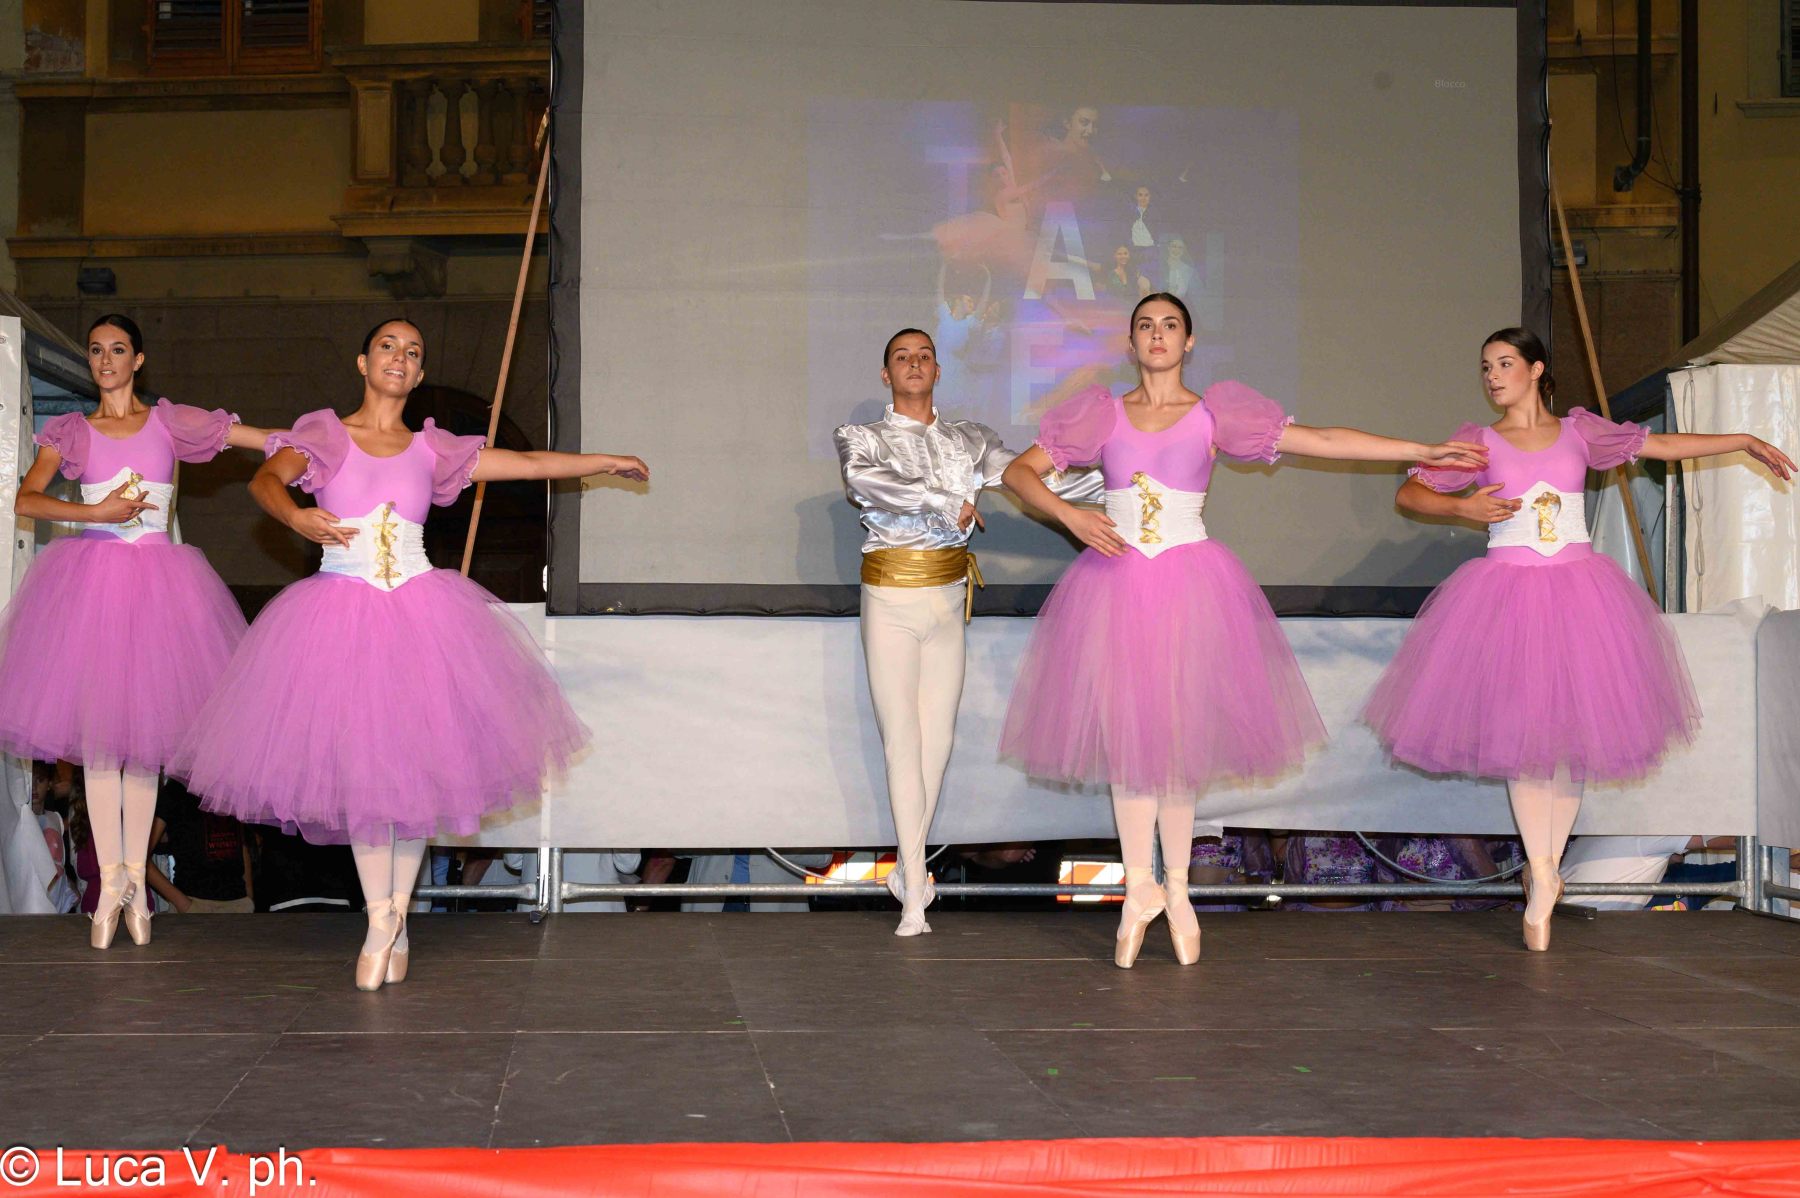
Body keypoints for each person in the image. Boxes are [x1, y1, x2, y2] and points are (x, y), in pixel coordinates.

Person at [999, 293, 1487, 968]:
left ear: (1189, 341)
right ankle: (1139, 887)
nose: (1158, 335)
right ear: (1132, 343)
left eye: (1171, 325)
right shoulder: (1101, 414)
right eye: (1146, 326)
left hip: (1188, 588)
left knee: (1175, 743)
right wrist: (1071, 515)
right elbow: (1018, 472)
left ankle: (1176, 889)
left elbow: (1321, 440)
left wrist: (1421, 449)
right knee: (1130, 739)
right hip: (1114, 588)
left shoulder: (1214, 414)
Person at [172, 318, 648, 989]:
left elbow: (527, 464)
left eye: (413, 352)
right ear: (363, 361)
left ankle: (396, 915)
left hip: (422, 617)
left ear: (420, 374)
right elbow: (266, 481)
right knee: (367, 777)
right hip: (341, 618)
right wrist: (297, 516)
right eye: (388, 347)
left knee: (415, 774)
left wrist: (599, 461)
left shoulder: (432, 449)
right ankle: (380, 920)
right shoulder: (325, 435)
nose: (400, 357)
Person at [1363, 327, 1792, 950]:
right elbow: (1411, 491)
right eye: (1485, 367)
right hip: (1507, 597)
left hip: (1578, 595)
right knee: (1523, 740)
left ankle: (1547, 868)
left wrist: (1743, 439)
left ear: (1536, 369)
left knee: (1566, 745)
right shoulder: (1479, 442)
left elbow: (1662, 444)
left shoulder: (1579, 432)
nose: (1492, 376)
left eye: (1504, 364)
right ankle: (1543, 873)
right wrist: (1463, 509)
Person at [0, 314, 275, 949]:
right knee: (101, 745)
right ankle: (112, 888)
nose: (105, 360)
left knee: (145, 748)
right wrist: (96, 510)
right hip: (92, 586)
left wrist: (323, 444)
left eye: (117, 349)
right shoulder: (73, 431)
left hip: (159, 590)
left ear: (138, 359)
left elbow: (251, 437)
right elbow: (26, 500)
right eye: (96, 350)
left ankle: (133, 885)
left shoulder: (168, 422)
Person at [834, 328, 1101, 936]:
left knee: (939, 741)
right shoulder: (861, 437)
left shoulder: (970, 440)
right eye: (901, 357)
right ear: (886, 374)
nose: (914, 363)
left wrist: (1120, 483)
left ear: (937, 369)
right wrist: (939, 499)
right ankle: (913, 894)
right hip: (890, 596)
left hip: (949, 597)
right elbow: (863, 483)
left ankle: (908, 871)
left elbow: (1035, 480)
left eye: (924, 355)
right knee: (902, 739)